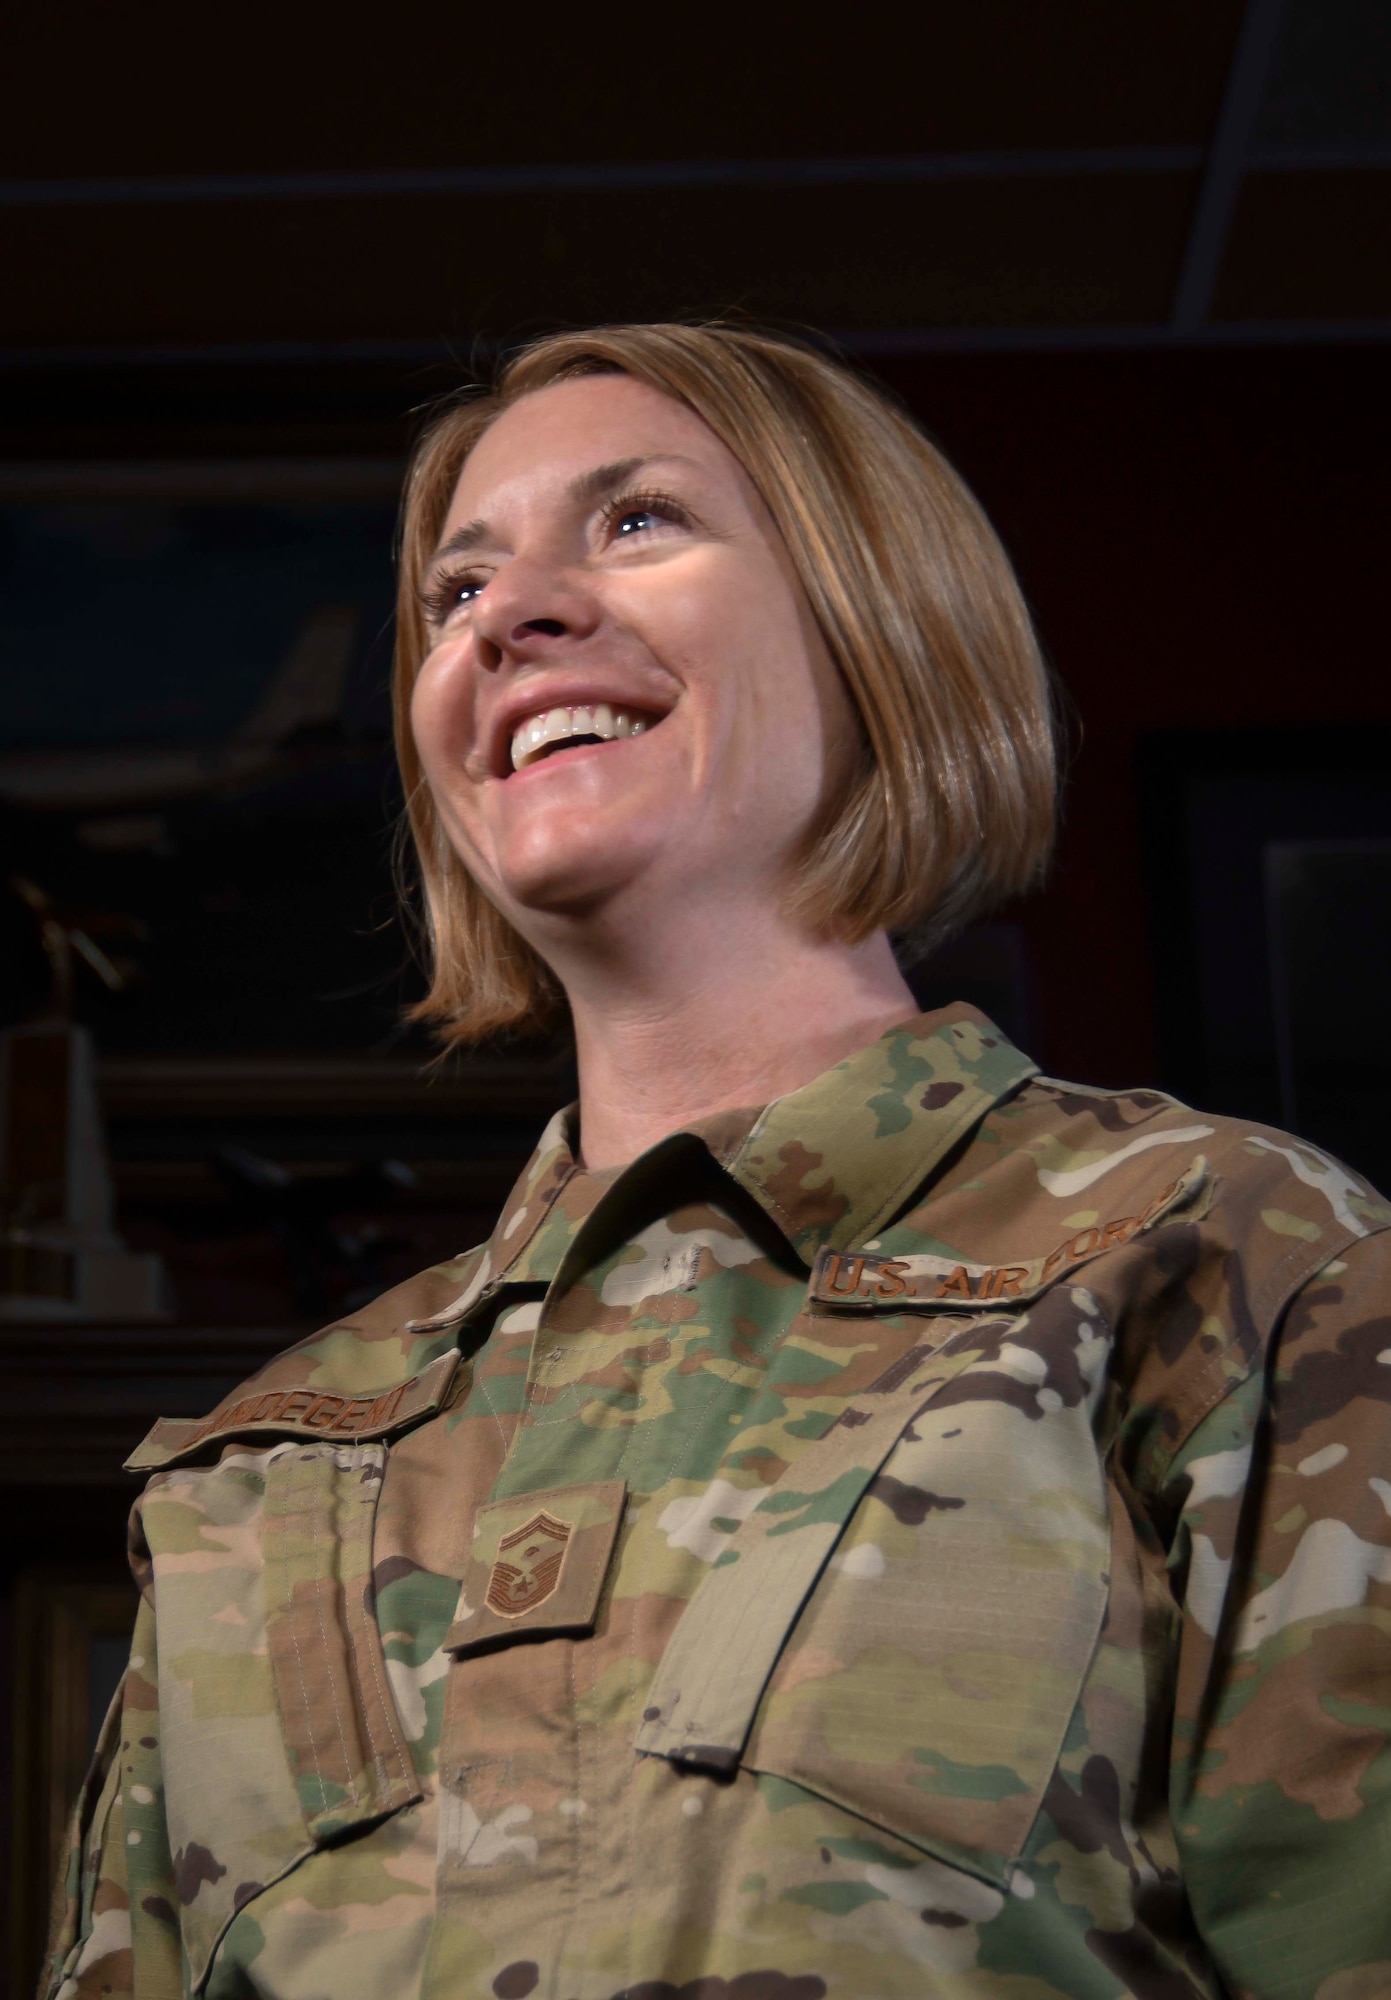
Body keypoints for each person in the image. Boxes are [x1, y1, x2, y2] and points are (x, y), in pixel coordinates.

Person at [47, 325, 1391, 2000]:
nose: (509, 616)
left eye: (636, 524)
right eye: (458, 593)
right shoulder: (256, 1477)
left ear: (879, 625)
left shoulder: (1235, 1260)